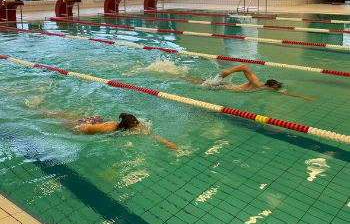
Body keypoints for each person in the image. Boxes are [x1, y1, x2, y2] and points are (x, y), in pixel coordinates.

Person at [44, 110, 178, 150]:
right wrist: (74, 131)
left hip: (97, 120)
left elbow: (150, 134)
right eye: (136, 126)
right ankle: (46, 113)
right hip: (90, 126)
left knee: (72, 117)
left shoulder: (134, 124)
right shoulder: (109, 127)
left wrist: (166, 142)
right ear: (129, 127)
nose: (139, 127)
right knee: (65, 122)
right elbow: (86, 128)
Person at [182, 64, 315, 101]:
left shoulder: (264, 89)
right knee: (199, 84)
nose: (276, 91)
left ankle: (183, 76)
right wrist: (229, 72)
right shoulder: (258, 84)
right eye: (275, 89)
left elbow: (284, 93)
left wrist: (302, 97)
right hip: (224, 87)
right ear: (269, 86)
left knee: (200, 83)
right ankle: (181, 76)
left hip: (225, 88)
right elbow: (244, 67)